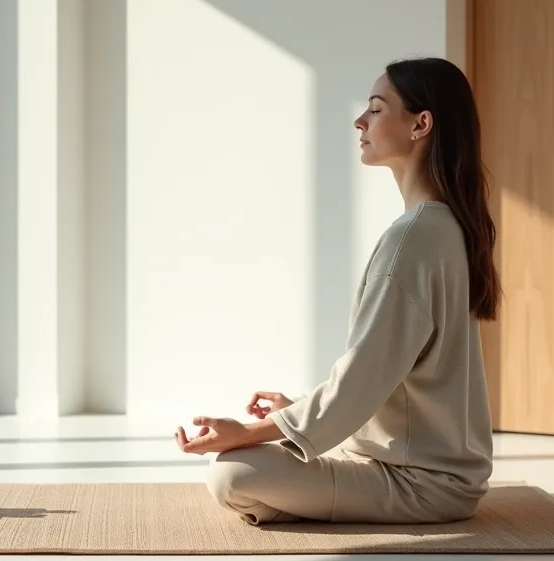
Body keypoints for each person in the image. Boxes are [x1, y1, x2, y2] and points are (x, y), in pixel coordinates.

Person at [174, 56, 502, 525]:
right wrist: (298, 411)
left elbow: (363, 377)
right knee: (251, 469)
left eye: (375, 108)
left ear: (420, 124)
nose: (359, 120)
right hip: (429, 470)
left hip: (424, 484)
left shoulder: (415, 237)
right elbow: (385, 375)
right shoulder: (440, 226)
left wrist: (249, 434)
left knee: (233, 475)